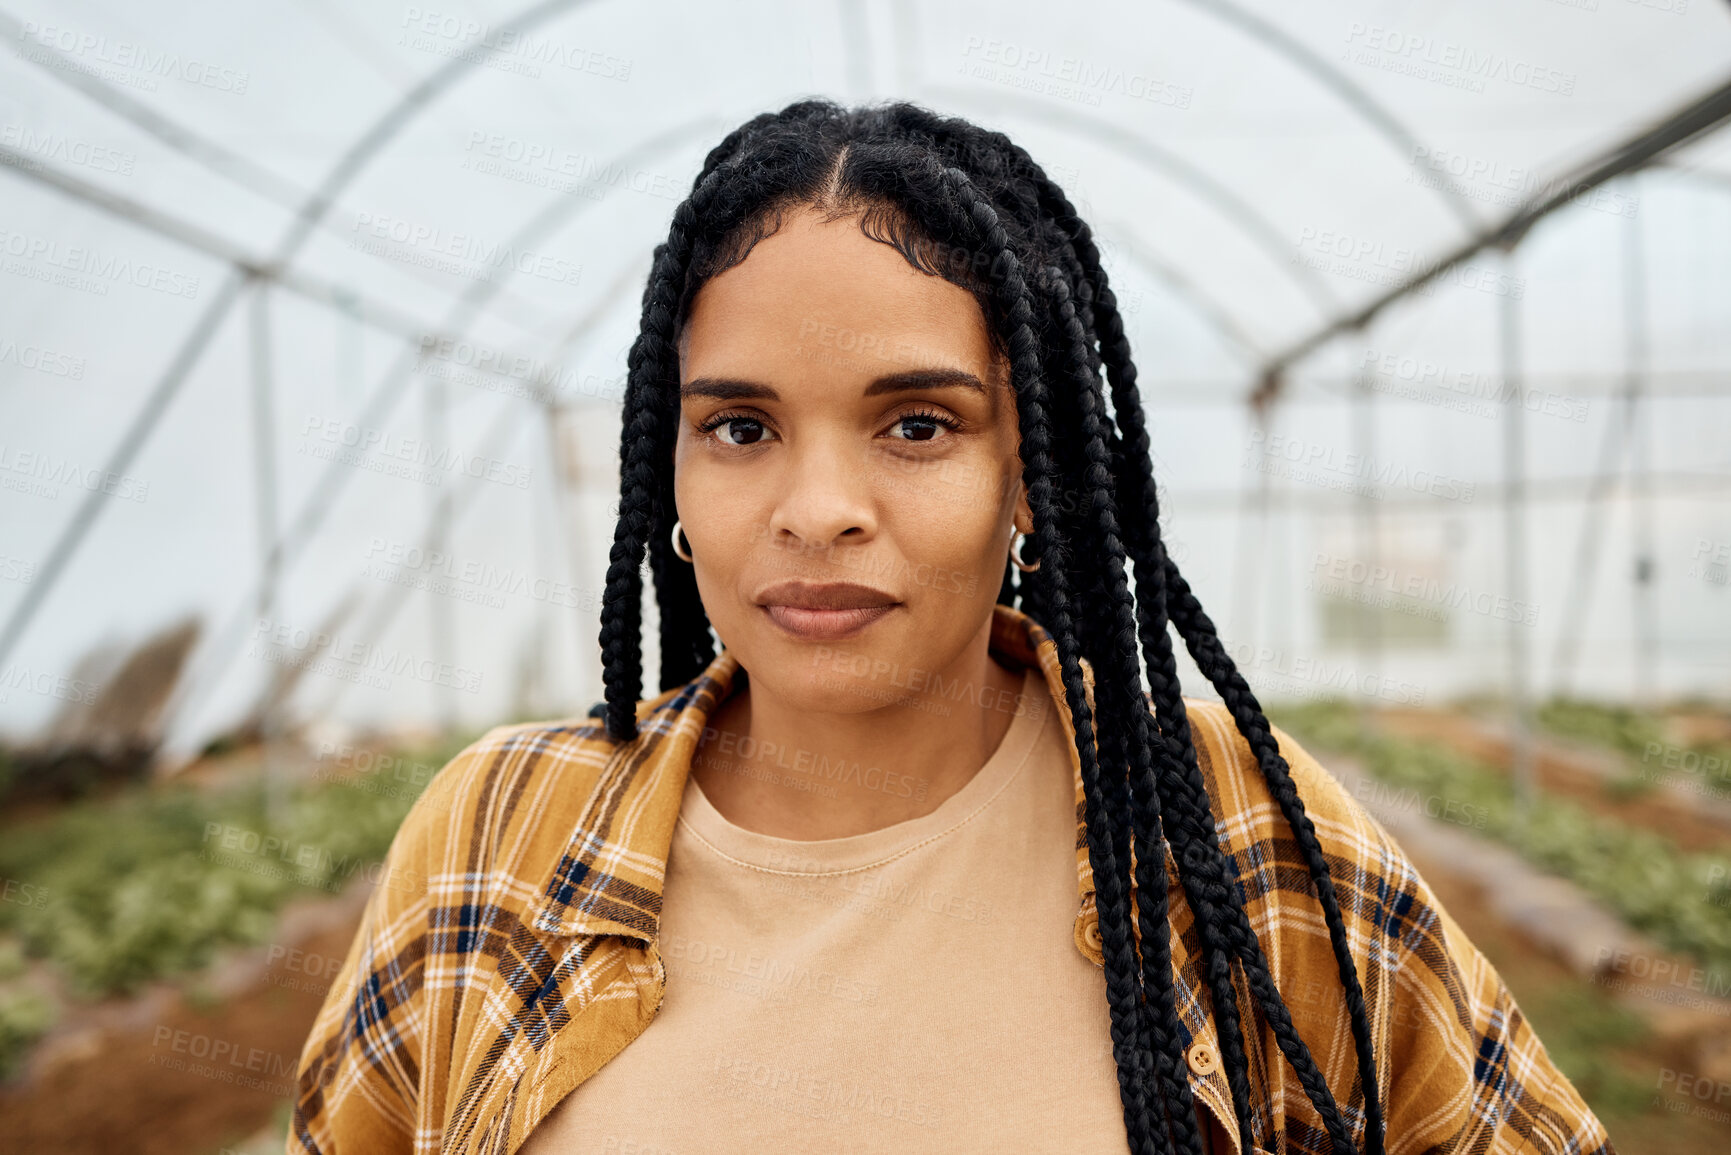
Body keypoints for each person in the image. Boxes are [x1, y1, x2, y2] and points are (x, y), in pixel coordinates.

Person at [290, 99, 1614, 1155]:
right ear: (670, 471)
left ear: (1030, 472)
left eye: (917, 425)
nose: (817, 511)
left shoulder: (1240, 837)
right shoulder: (496, 842)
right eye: (740, 428)